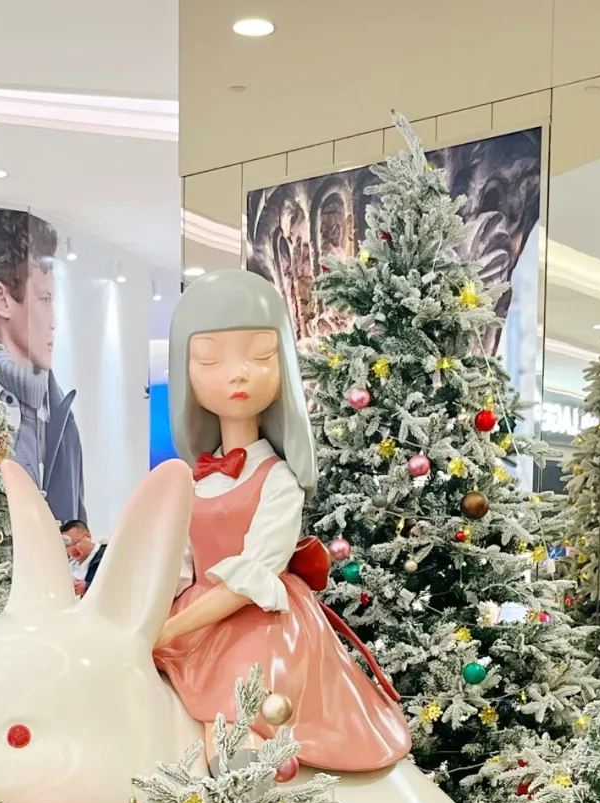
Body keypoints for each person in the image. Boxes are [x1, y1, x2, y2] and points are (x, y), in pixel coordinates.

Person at [153, 269, 410, 773]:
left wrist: (170, 629)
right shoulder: (192, 483)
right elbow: (178, 567)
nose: (238, 374)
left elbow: (254, 574)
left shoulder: (278, 480)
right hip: (195, 615)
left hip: (259, 617)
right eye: (210, 359)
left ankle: (245, 777)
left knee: (245, 687)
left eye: (260, 356)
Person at [0, 208, 86, 526]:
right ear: (1, 299)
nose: (54, 322)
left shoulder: (62, 417)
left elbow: (74, 519)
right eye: (45, 300)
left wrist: (79, 535)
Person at [60, 518, 106, 596]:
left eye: (76, 543)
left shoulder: (106, 558)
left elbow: (118, 586)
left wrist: (87, 587)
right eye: (67, 546)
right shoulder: (69, 565)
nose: (72, 549)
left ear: (88, 536)